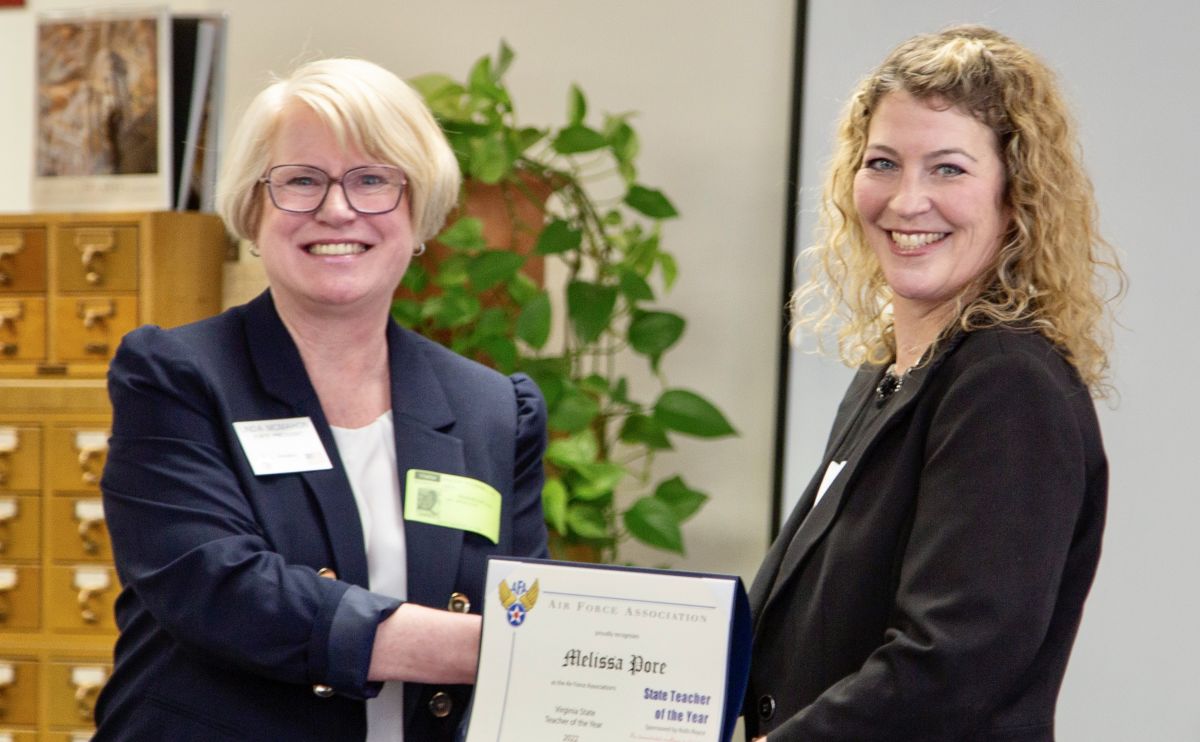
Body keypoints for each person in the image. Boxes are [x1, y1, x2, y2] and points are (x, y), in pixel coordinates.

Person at [93, 58, 548, 741]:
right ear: (254, 209)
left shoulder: (493, 409)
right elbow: (220, 590)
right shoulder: (177, 378)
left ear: (419, 210)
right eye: (302, 181)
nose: (337, 209)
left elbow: (525, 606)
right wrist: (489, 650)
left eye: (373, 180)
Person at [745, 25, 1124, 741]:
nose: (906, 200)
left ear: (1017, 195)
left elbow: (951, 663)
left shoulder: (1006, 385)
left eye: (948, 169)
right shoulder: (892, 375)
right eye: (882, 163)